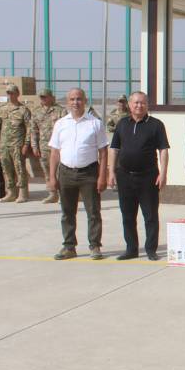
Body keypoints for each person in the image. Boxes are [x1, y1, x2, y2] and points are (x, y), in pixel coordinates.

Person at [47, 88, 108, 259]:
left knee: (93, 212)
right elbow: (54, 153)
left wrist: (102, 176)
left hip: (89, 173)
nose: (76, 102)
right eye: (72, 99)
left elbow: (103, 152)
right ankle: (69, 246)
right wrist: (52, 177)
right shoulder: (60, 124)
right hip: (66, 173)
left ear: (85, 101)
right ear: (67, 102)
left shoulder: (95, 123)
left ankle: (95, 246)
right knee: (67, 212)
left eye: (79, 99)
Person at [108, 91, 170, 260]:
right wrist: (111, 172)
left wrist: (163, 174)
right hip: (125, 176)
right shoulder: (122, 124)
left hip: (148, 177)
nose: (139, 106)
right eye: (136, 102)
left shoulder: (156, 125)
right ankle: (131, 249)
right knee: (128, 216)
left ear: (147, 105)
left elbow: (163, 150)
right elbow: (114, 149)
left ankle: (151, 249)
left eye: (142, 103)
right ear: (129, 104)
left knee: (150, 216)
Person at [0, 83, 33, 203]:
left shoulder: (23, 110)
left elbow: (29, 128)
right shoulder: (2, 109)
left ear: (17, 94)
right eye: (8, 93)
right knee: (6, 169)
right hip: (4, 145)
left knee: (19, 168)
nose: (10, 95)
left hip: (17, 145)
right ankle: (11, 192)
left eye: (12, 93)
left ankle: (23, 193)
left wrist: (26, 144)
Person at [31, 89, 66, 204]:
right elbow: (33, 130)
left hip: (58, 147)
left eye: (45, 97)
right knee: (47, 171)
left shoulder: (61, 111)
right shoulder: (36, 112)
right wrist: (34, 146)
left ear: (51, 97)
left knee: (60, 171)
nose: (43, 99)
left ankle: (62, 194)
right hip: (44, 146)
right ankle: (52, 193)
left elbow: (66, 129)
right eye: (41, 97)